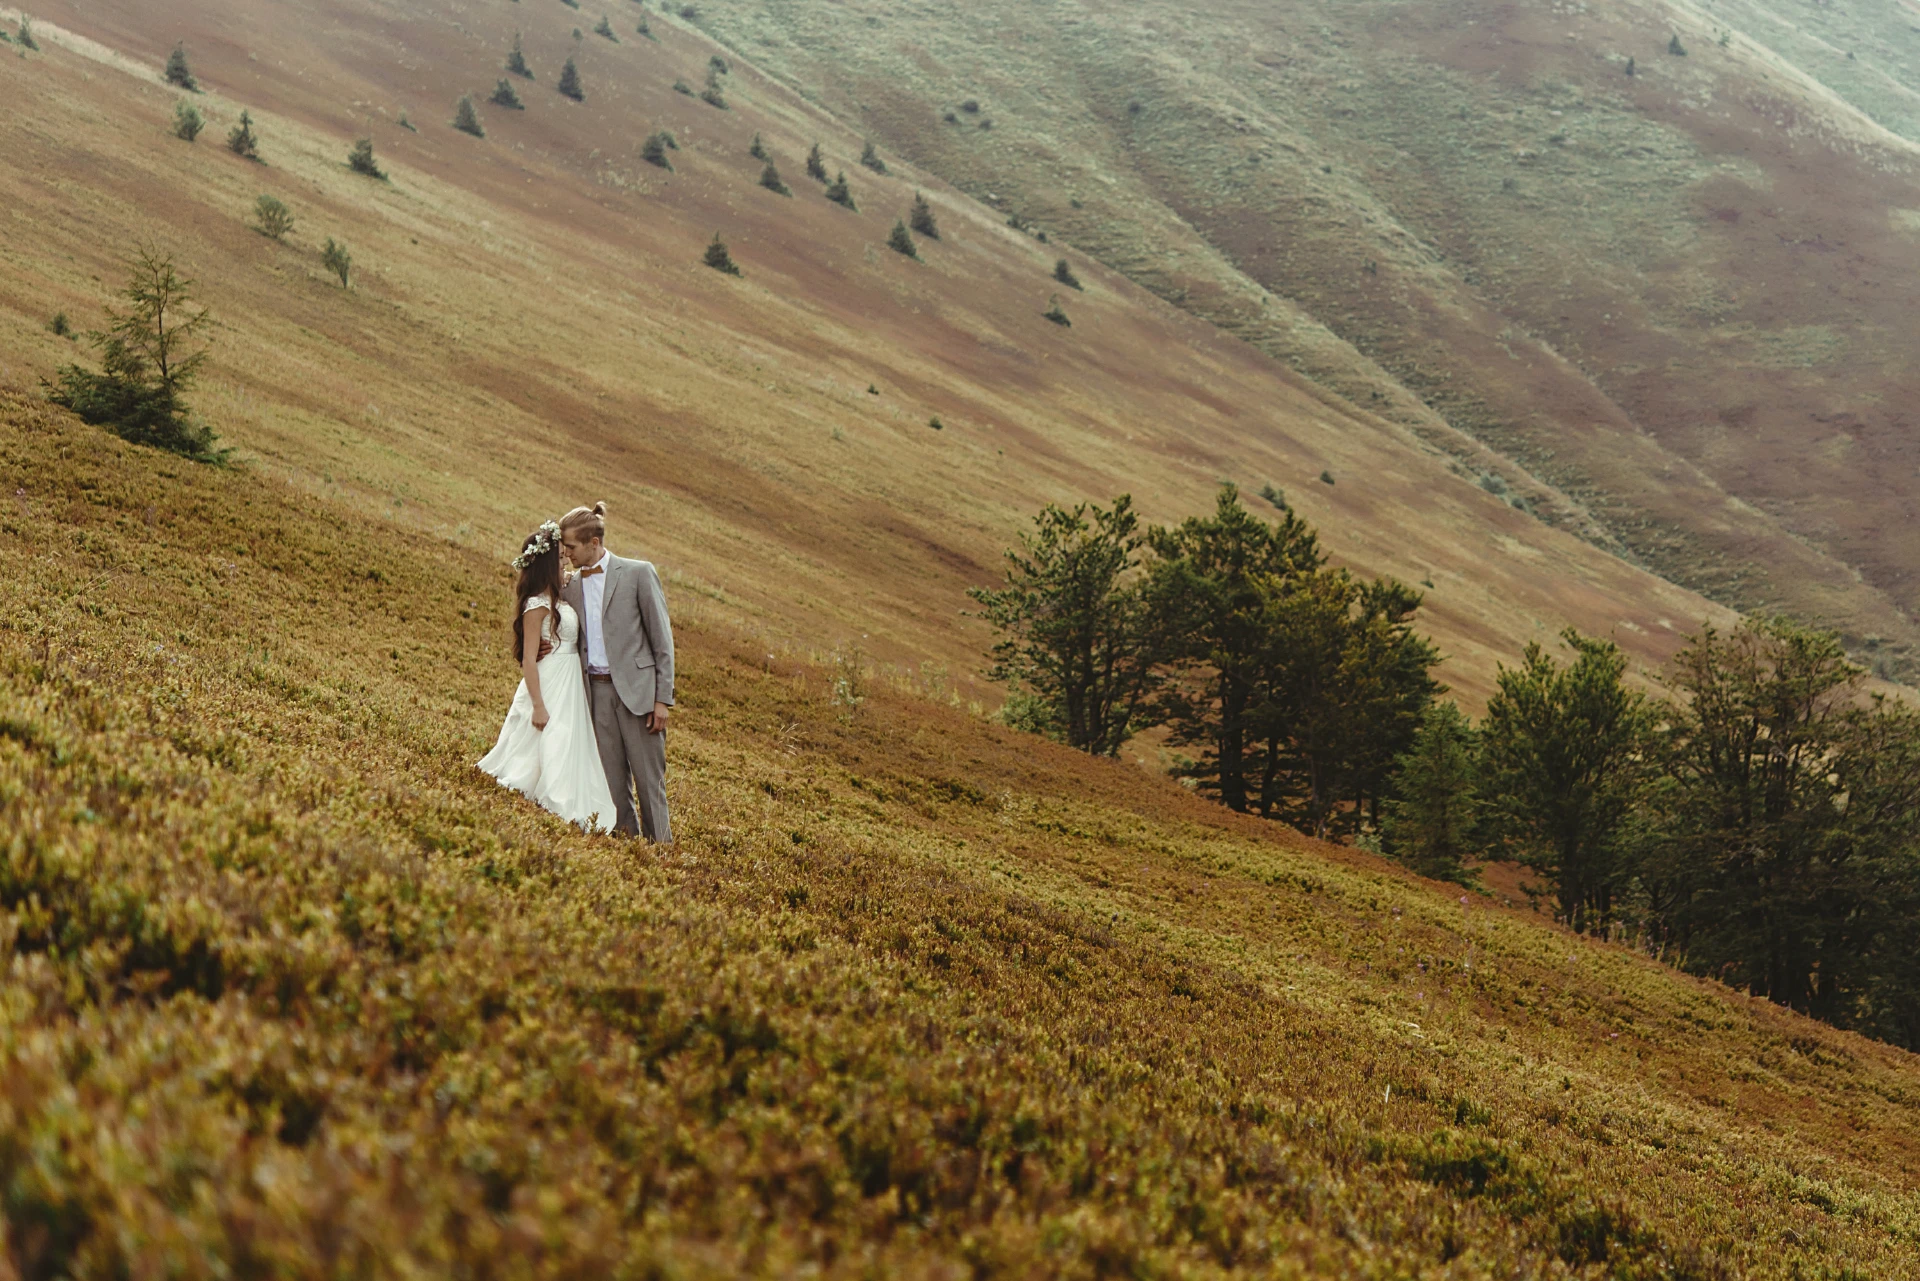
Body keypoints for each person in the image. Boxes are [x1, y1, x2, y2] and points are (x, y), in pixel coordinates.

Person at [476, 521, 618, 831]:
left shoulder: (559, 595)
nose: (565, 560)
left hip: (570, 682)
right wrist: (538, 704)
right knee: (549, 735)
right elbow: (528, 659)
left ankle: (565, 791)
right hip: (549, 679)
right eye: (558, 557)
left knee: (567, 738)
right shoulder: (536, 604)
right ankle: (549, 793)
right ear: (544, 564)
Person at [557, 501, 676, 841]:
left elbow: (662, 641)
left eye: (572, 548)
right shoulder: (571, 586)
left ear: (594, 543)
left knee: (649, 782)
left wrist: (662, 700)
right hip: (595, 694)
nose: (567, 555)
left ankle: (662, 853)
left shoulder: (638, 573)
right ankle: (628, 849)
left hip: (639, 695)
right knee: (611, 783)